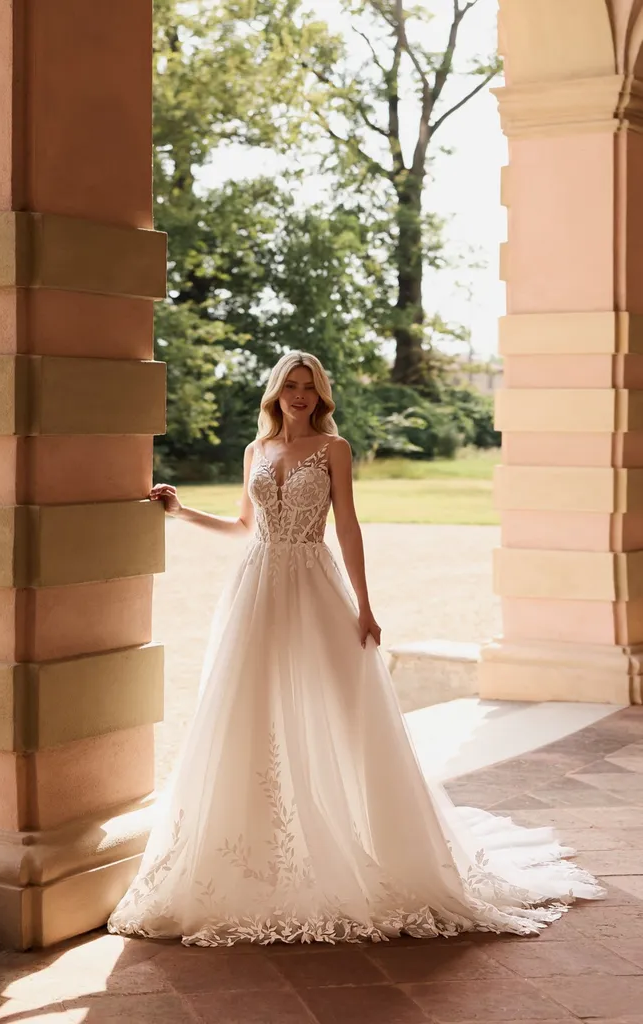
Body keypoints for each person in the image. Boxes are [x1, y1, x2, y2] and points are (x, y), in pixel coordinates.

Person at [108, 350, 604, 947]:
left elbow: (347, 526)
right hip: (256, 592)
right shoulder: (255, 450)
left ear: (321, 395)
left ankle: (351, 837)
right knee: (251, 711)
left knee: (338, 709)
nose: (299, 395)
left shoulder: (333, 449)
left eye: (309, 386)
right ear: (275, 392)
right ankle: (256, 854)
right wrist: (181, 511)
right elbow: (244, 528)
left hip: (314, 587)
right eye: (290, 385)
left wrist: (365, 607)